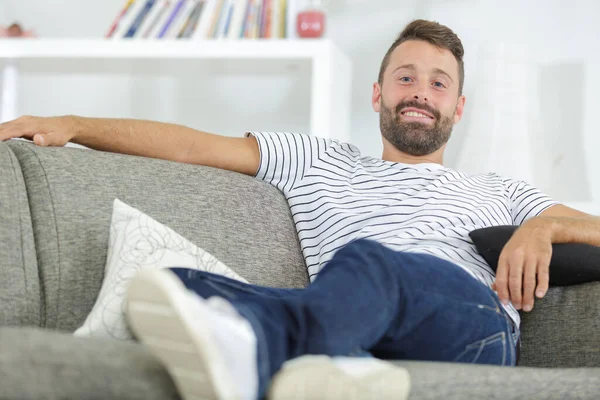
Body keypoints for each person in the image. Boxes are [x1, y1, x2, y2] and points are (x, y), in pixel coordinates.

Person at [0, 19, 597, 400]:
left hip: (472, 328)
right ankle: (337, 364)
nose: (420, 90)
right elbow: (189, 145)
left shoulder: (500, 189)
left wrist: (544, 225)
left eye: (439, 83)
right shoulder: (316, 159)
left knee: (374, 265)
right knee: (175, 284)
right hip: (355, 318)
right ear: (378, 94)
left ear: (458, 108)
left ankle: (257, 355)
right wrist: (73, 124)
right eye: (406, 76)